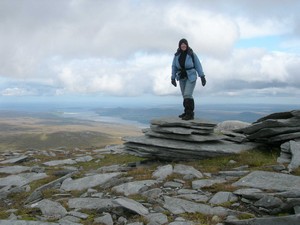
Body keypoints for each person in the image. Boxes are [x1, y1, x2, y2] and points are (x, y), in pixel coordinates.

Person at [171, 38, 206, 120]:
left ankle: (190, 114)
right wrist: (172, 78)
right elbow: (174, 67)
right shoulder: (176, 55)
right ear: (179, 46)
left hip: (191, 76)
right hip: (181, 76)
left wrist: (202, 76)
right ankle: (186, 112)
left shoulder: (191, 54)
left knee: (187, 94)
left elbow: (198, 65)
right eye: (181, 44)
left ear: (187, 45)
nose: (183, 45)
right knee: (185, 95)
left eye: (184, 44)